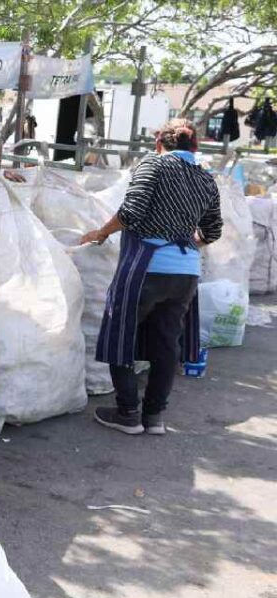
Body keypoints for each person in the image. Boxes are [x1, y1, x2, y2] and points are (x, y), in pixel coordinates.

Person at [79, 118, 221, 435]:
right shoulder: (206, 179)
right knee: (166, 345)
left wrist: (100, 233)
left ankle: (128, 412)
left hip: (147, 267)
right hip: (186, 274)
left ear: (159, 145)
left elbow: (131, 212)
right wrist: (183, 242)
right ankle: (154, 417)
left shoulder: (153, 166)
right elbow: (213, 230)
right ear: (193, 148)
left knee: (121, 334)